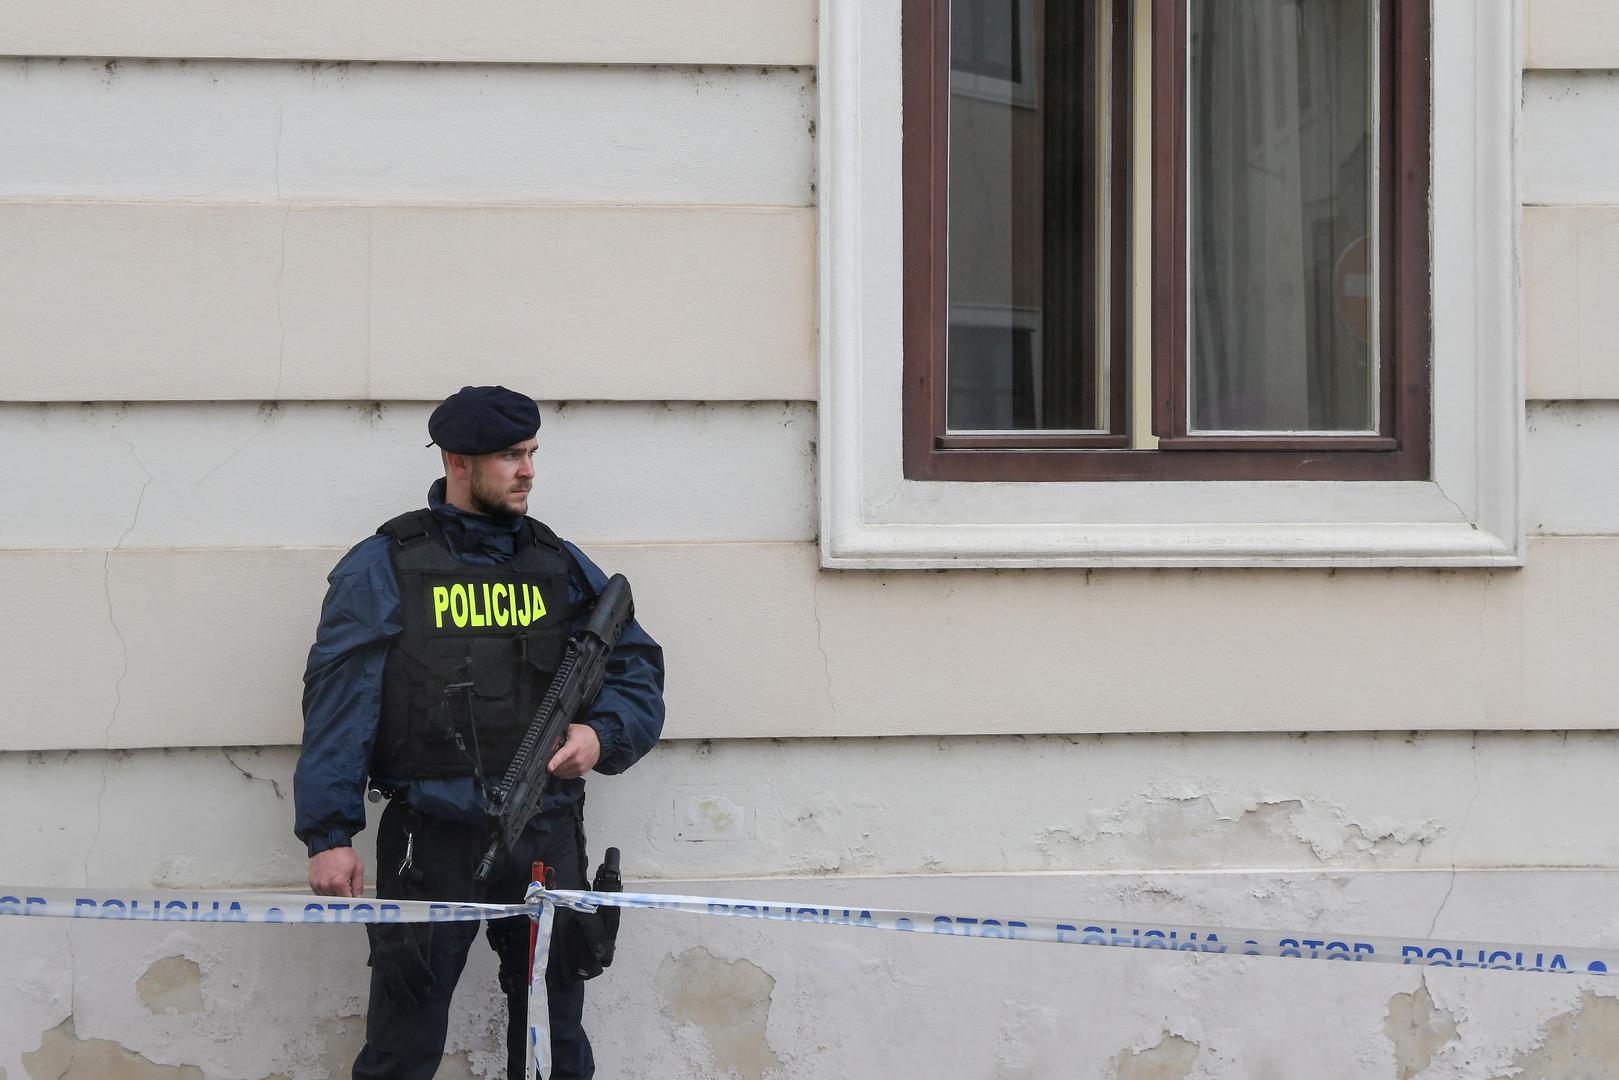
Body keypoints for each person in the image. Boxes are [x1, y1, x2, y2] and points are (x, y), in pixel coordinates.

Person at [294, 385, 665, 1080]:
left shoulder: (558, 563)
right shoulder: (387, 563)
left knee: (554, 1040)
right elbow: (339, 700)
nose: (527, 470)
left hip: (543, 834)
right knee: (403, 1045)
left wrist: (599, 737)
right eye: (508, 456)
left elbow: (635, 667)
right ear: (458, 462)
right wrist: (329, 834)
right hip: (429, 839)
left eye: (530, 453)